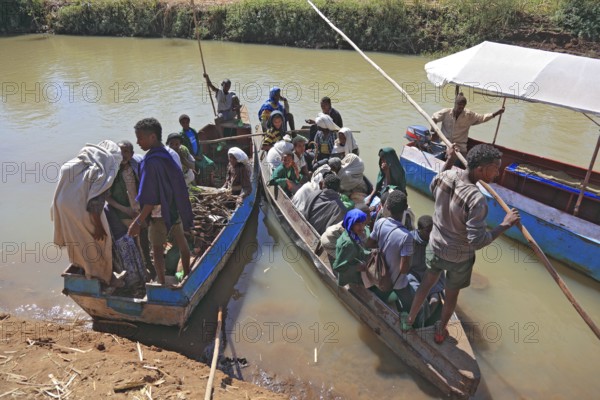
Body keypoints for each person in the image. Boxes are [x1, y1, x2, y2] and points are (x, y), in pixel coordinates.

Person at [404, 144, 520, 343]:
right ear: (480, 169)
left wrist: (448, 160)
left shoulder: (446, 177)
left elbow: (434, 186)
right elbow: (477, 241)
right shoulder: (477, 200)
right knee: (451, 295)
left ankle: (409, 320)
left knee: (426, 284)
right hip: (459, 258)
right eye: (495, 168)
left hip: (436, 246)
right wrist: (504, 225)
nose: (498, 173)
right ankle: (440, 331)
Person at [127, 118, 195, 286]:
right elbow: (178, 184)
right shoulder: (167, 155)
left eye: (140, 138)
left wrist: (138, 221)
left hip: (158, 215)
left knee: (157, 251)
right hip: (173, 210)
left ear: (152, 137)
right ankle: (187, 275)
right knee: (182, 245)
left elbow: (149, 198)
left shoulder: (150, 162)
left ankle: (162, 283)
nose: (137, 142)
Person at [51, 140, 124, 286]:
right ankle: (105, 277)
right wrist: (98, 226)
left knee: (76, 238)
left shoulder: (76, 162)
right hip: (80, 207)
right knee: (101, 240)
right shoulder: (104, 168)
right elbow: (95, 204)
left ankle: (82, 265)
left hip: (61, 207)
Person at [366, 191, 424, 323]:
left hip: (380, 275)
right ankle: (414, 328)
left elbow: (369, 243)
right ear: (405, 209)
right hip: (398, 283)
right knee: (417, 309)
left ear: (388, 208)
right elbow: (404, 269)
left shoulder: (380, 222)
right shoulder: (406, 236)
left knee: (379, 297)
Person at [105, 140, 155, 278]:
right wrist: (125, 209)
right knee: (133, 242)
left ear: (132, 154)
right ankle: (140, 272)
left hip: (140, 210)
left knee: (144, 239)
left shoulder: (136, 167)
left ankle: (147, 265)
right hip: (123, 213)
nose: (123, 154)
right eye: (120, 152)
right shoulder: (112, 173)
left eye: (126, 151)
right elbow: (107, 197)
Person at [431, 92, 505, 157]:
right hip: (445, 143)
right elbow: (434, 118)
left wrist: (496, 113)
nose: (460, 108)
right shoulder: (446, 112)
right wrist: (433, 129)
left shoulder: (468, 115)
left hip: (459, 146)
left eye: (462, 106)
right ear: (455, 104)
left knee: (463, 162)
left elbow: (482, 118)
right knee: (439, 154)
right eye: (459, 105)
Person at [408, 215, 445, 306]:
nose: (431, 234)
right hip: (412, 274)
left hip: (428, 275)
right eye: (428, 231)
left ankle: (426, 318)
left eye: (432, 231)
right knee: (420, 298)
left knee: (435, 301)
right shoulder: (409, 238)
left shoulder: (435, 243)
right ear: (419, 229)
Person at [333, 209, 371, 286]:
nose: (361, 227)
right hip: (352, 277)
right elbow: (337, 267)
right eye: (357, 224)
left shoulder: (362, 231)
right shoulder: (349, 244)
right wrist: (357, 267)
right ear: (350, 224)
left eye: (363, 223)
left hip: (358, 262)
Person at [179, 114, 215, 186]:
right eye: (183, 123)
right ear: (181, 124)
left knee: (211, 163)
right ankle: (200, 184)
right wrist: (194, 157)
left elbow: (198, 144)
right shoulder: (182, 135)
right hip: (192, 157)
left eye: (187, 122)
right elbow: (186, 150)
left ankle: (211, 182)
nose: (185, 124)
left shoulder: (193, 131)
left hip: (199, 154)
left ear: (189, 122)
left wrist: (200, 154)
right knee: (200, 169)